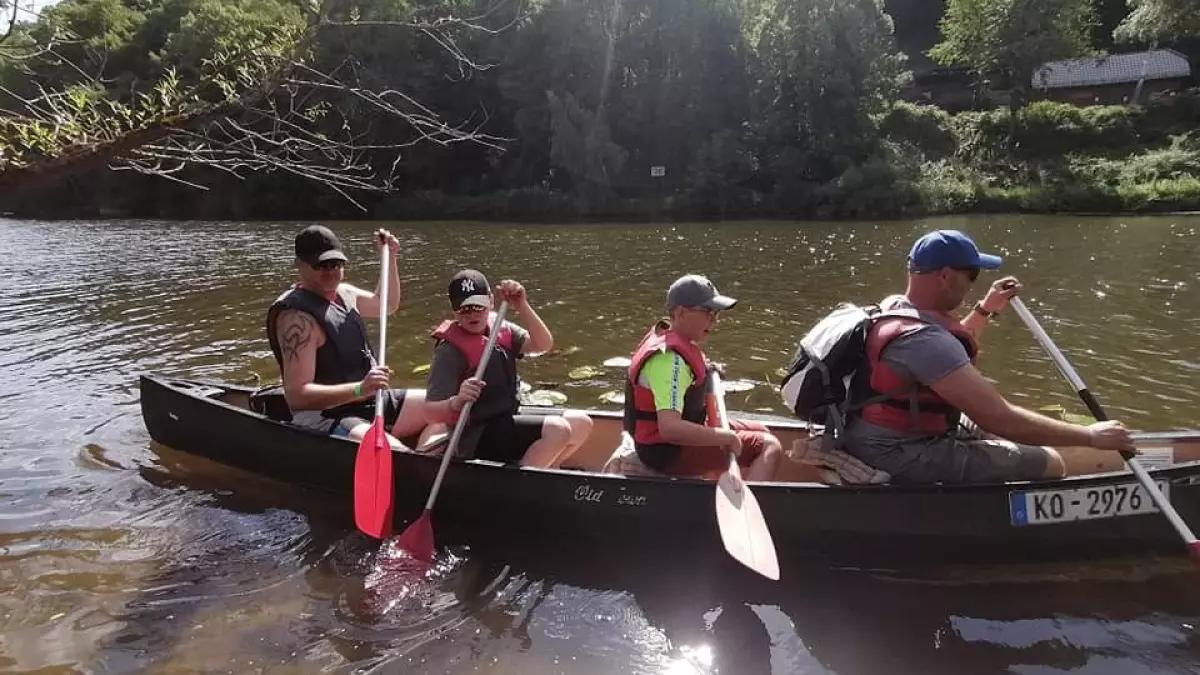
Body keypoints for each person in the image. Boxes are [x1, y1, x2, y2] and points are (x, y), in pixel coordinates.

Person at [841, 229, 1135, 484]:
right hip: (898, 450)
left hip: (880, 432)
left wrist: (985, 308)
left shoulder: (898, 307)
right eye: (971, 275)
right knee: (1051, 462)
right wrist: (1091, 436)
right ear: (944, 276)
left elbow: (947, 352)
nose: (972, 283)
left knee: (1002, 436)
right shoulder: (924, 341)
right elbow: (1000, 417)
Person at [266, 225, 427, 445]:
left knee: (447, 408)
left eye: (336, 264)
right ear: (299, 265)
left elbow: (387, 304)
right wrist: (361, 388)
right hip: (327, 413)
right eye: (321, 265)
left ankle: (430, 455)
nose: (330, 271)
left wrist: (389, 257)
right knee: (392, 451)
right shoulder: (297, 319)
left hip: (369, 399)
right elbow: (297, 396)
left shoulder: (346, 293)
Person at [421, 270, 592, 467]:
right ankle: (523, 487)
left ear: (491, 301)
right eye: (464, 309)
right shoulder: (449, 352)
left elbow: (542, 345)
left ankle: (539, 471)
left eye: (478, 305)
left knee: (581, 423)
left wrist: (522, 305)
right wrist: (456, 401)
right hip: (475, 435)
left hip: (507, 417)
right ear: (454, 311)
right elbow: (429, 412)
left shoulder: (500, 327)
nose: (472, 313)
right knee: (557, 430)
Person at [624, 275, 782, 481]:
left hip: (675, 439)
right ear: (680, 312)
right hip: (665, 451)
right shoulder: (669, 362)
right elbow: (670, 429)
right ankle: (742, 506)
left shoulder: (678, 342)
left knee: (762, 430)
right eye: (708, 312)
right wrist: (725, 436)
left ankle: (718, 486)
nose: (715, 320)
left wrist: (709, 370)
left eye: (715, 313)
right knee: (770, 447)